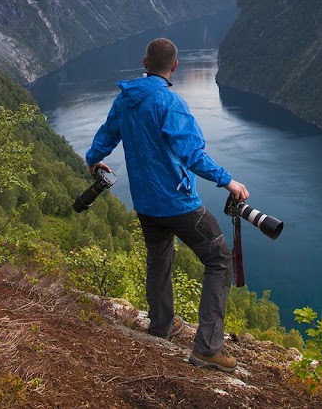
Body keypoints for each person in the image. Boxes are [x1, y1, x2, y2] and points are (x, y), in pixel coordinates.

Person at [85, 37, 249, 373]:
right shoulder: (170, 103)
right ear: (174, 66)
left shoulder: (125, 99)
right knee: (219, 260)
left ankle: (161, 325)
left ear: (145, 62)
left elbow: (106, 135)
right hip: (177, 201)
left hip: (145, 202)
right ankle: (208, 349)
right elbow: (192, 154)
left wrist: (93, 160)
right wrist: (228, 181)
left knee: (159, 260)